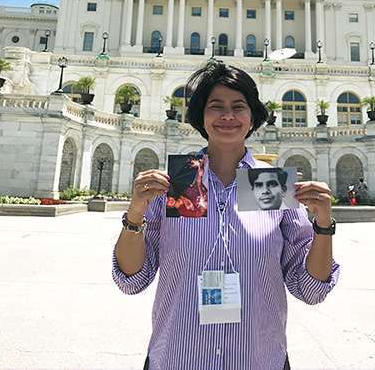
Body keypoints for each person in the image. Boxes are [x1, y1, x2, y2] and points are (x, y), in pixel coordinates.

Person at [113, 60, 340, 370]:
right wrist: (136, 212)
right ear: (200, 116)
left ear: (252, 116)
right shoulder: (179, 181)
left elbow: (310, 288)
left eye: (239, 106)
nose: (228, 116)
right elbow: (131, 280)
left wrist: (323, 226)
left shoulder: (268, 183)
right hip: (179, 357)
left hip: (258, 359)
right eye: (216, 106)